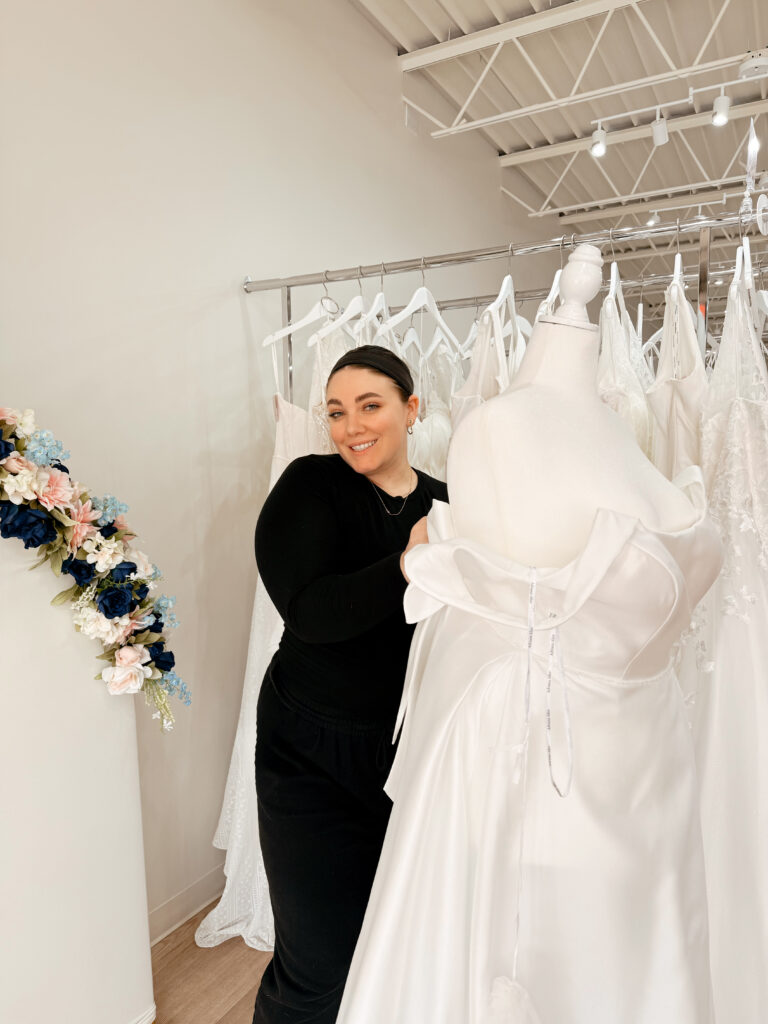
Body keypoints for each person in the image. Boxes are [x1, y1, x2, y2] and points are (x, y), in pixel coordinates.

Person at [251, 345, 447, 1024]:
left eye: (370, 406)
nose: (351, 426)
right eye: (337, 412)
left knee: (394, 944)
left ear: (411, 408)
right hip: (307, 750)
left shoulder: (449, 505)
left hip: (407, 755)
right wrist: (407, 563)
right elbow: (310, 613)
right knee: (316, 961)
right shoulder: (311, 485)